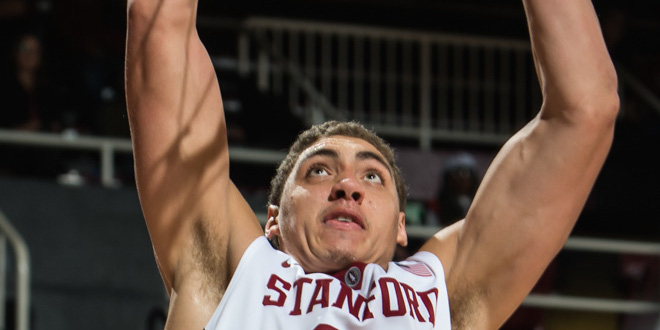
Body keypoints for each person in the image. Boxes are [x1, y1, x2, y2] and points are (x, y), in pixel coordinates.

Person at [124, 0, 619, 329]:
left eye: (373, 175)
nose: (347, 185)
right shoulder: (232, 270)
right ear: (271, 218)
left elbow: (586, 112)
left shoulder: (442, 294)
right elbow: (156, 21)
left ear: (402, 226)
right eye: (319, 170)